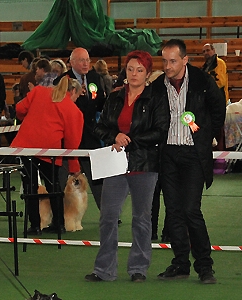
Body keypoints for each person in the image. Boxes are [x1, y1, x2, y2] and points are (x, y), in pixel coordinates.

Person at [85, 50, 170, 282]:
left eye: (139, 70)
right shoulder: (114, 97)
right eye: (130, 69)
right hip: (115, 165)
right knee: (108, 217)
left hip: (144, 165)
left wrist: (129, 140)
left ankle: (138, 268)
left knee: (142, 218)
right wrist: (114, 136)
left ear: (148, 74)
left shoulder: (156, 99)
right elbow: (99, 127)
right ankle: (104, 269)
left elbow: (160, 131)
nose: (134, 74)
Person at [154, 39, 225, 284]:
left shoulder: (203, 81)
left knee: (191, 210)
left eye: (173, 61)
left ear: (185, 60)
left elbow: (218, 109)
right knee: (173, 211)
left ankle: (205, 266)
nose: (167, 66)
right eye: (164, 61)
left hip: (194, 154)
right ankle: (181, 264)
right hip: (168, 154)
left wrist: (206, 136)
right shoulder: (158, 85)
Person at [10, 76, 84, 235]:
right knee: (53, 186)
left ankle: (35, 225)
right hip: (50, 151)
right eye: (77, 97)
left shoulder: (38, 91)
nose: (76, 100)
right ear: (72, 91)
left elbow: (19, 109)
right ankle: (59, 224)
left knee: (30, 186)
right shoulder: (73, 110)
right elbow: (72, 141)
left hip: (26, 146)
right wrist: (74, 166)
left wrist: (29, 118)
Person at [55, 48, 106, 210]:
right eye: (82, 60)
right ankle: (58, 215)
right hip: (68, 138)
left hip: (91, 135)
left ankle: (107, 214)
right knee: (61, 180)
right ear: (72, 63)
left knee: (97, 179)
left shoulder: (95, 77)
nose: (86, 64)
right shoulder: (63, 80)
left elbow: (101, 101)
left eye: (87, 60)